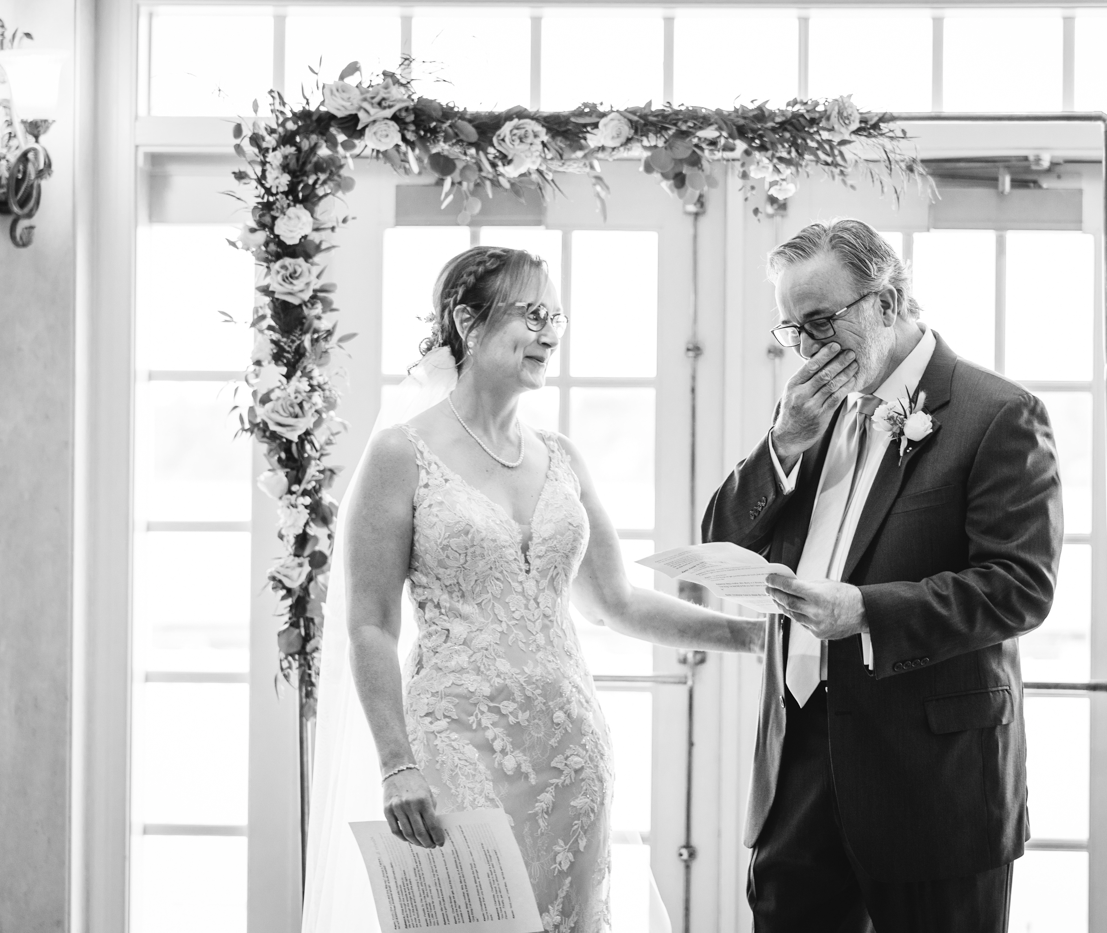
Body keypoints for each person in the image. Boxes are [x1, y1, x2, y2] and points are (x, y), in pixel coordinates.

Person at [304, 246, 762, 933]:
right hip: (452, 744)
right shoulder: (401, 453)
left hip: (570, 752)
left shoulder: (563, 457)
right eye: (533, 313)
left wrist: (752, 633)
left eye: (559, 316)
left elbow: (618, 602)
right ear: (468, 321)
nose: (552, 331)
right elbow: (370, 624)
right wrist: (397, 763)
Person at [702, 219, 1063, 932]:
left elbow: (1021, 586)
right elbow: (722, 539)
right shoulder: (810, 413)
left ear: (888, 302)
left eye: (820, 321)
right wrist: (783, 442)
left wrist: (865, 610)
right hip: (798, 768)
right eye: (791, 330)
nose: (806, 349)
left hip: (934, 782)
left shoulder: (998, 414)